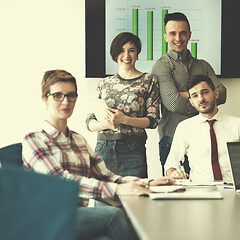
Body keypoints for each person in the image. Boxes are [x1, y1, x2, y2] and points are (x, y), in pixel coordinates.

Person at [22, 70, 174, 239]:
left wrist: (149, 183)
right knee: (112, 216)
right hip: (48, 218)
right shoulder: (34, 140)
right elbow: (62, 182)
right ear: (45, 99)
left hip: (77, 216)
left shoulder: (78, 140)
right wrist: (118, 189)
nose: (65, 101)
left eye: (71, 95)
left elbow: (107, 177)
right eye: (57, 95)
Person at [151, 12, 227, 175]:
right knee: (174, 194)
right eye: (172, 33)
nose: (178, 38)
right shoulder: (161, 66)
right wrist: (205, 97)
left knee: (203, 190)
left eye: (183, 33)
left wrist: (185, 94)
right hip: (171, 139)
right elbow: (173, 103)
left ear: (189, 35)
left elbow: (223, 92)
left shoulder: (203, 65)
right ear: (165, 36)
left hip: (202, 138)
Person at [165, 75, 240, 181]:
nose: (201, 99)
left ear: (216, 94)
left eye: (205, 92)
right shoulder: (185, 128)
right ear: (191, 102)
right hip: (200, 190)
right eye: (195, 96)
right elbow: (171, 164)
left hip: (232, 189)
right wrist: (174, 174)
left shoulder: (237, 124)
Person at [86, 32, 160, 178]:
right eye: (121, 50)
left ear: (137, 53)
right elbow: (89, 122)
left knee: (135, 198)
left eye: (131, 50)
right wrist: (105, 125)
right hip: (103, 149)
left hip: (133, 151)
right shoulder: (104, 83)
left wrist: (124, 120)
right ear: (114, 53)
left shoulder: (149, 80)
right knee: (103, 198)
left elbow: (153, 120)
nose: (126, 55)